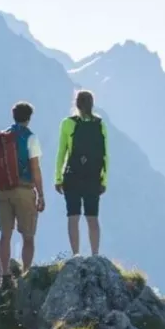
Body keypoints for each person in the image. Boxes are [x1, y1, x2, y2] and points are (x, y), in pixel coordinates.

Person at [0, 101, 45, 285]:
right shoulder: (31, 138)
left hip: (2, 190)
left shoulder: (2, 136)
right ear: (29, 118)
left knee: (5, 234)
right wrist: (41, 194)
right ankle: (25, 275)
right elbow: (35, 168)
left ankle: (5, 274)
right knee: (28, 236)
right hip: (24, 190)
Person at [55, 89, 107, 257]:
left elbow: (61, 152)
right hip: (93, 177)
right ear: (92, 104)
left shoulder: (67, 123)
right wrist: (103, 180)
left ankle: (76, 255)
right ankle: (95, 254)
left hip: (72, 176)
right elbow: (105, 155)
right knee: (92, 218)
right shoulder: (100, 124)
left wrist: (58, 178)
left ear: (76, 104)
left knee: (73, 217)